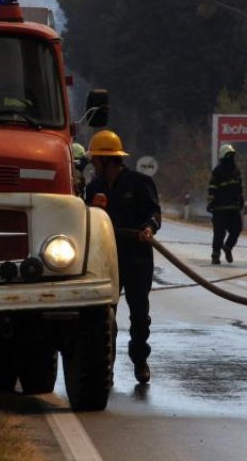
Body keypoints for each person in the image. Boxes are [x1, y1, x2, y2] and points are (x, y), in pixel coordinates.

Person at [84, 129, 161, 384]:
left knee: (139, 315)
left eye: (96, 159)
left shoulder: (140, 183)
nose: (93, 164)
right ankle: (108, 366)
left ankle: (140, 361)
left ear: (107, 160)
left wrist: (149, 227)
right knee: (106, 316)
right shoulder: (93, 188)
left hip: (137, 257)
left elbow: (154, 213)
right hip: (107, 259)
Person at [206, 143, 245, 265]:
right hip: (226, 208)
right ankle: (217, 253)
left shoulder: (226, 171)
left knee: (225, 231)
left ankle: (223, 249)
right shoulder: (231, 171)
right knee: (226, 231)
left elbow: (238, 188)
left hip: (224, 208)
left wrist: (211, 202)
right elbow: (213, 187)